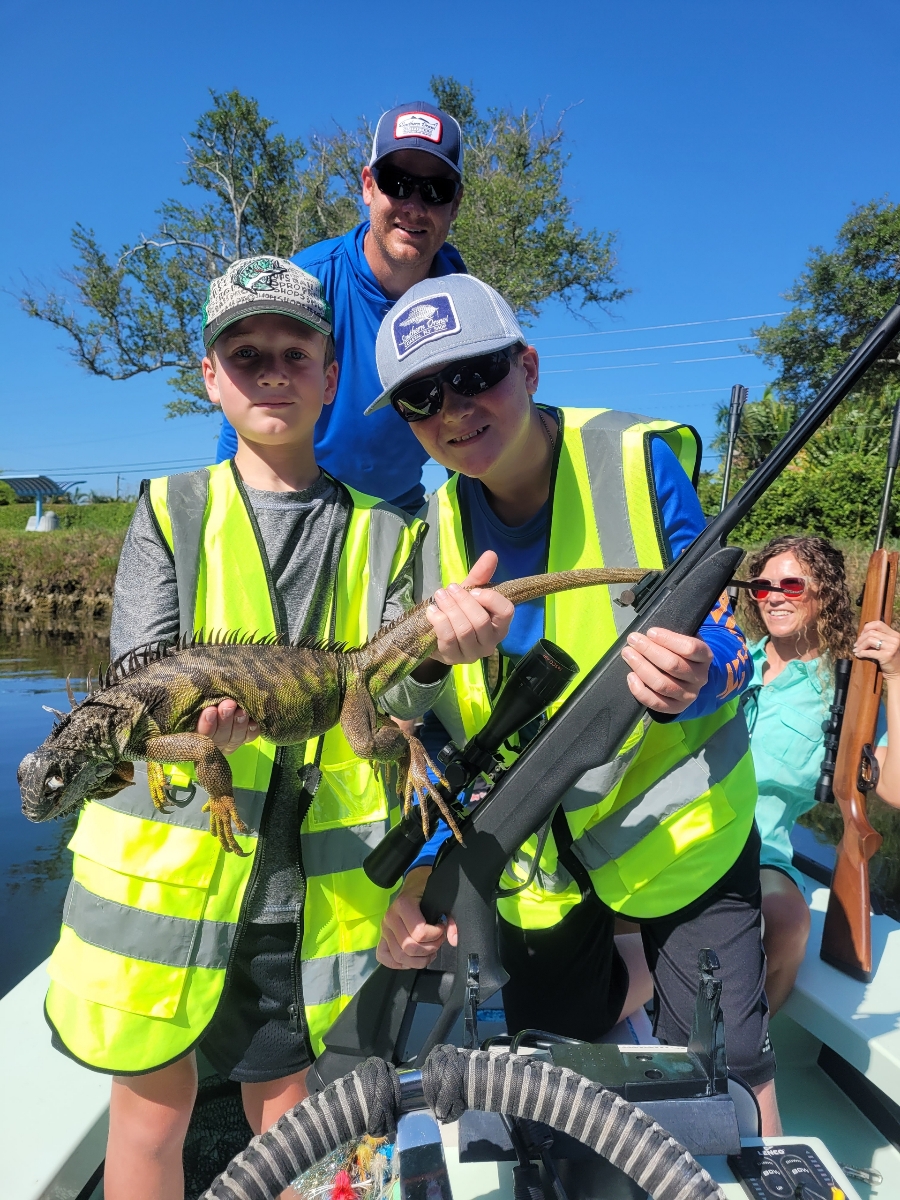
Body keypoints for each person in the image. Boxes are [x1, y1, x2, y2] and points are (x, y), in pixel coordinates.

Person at [43, 257, 513, 1200]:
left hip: (308, 895)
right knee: (150, 1116)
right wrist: (183, 739)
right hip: (168, 889)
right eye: (244, 353)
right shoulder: (168, 509)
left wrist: (444, 651)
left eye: (294, 354)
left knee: (291, 1115)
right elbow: (139, 686)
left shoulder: (392, 530)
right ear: (209, 376)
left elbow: (401, 694)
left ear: (330, 378)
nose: (271, 373)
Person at [366, 273, 788, 1132]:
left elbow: (732, 631)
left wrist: (704, 672)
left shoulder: (637, 459)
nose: (453, 407)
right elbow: (421, 728)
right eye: (420, 395)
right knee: (555, 1070)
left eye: (476, 373)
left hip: (682, 832)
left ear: (526, 365)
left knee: (729, 1070)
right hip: (539, 861)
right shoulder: (431, 532)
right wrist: (439, 672)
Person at [216, 101, 468, 512]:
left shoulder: (465, 304)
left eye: (436, 189)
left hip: (399, 518)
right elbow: (240, 412)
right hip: (297, 509)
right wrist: (229, 514)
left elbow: (474, 436)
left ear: (455, 204)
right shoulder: (305, 284)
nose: (415, 205)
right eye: (397, 183)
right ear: (368, 185)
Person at [738, 535, 900, 1012]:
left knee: (787, 920)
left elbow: (893, 789)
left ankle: (746, 1055)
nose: (774, 596)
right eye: (761, 586)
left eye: (791, 583)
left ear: (825, 591)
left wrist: (894, 676)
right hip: (684, 829)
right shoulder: (728, 657)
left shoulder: (851, 687)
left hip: (758, 847)